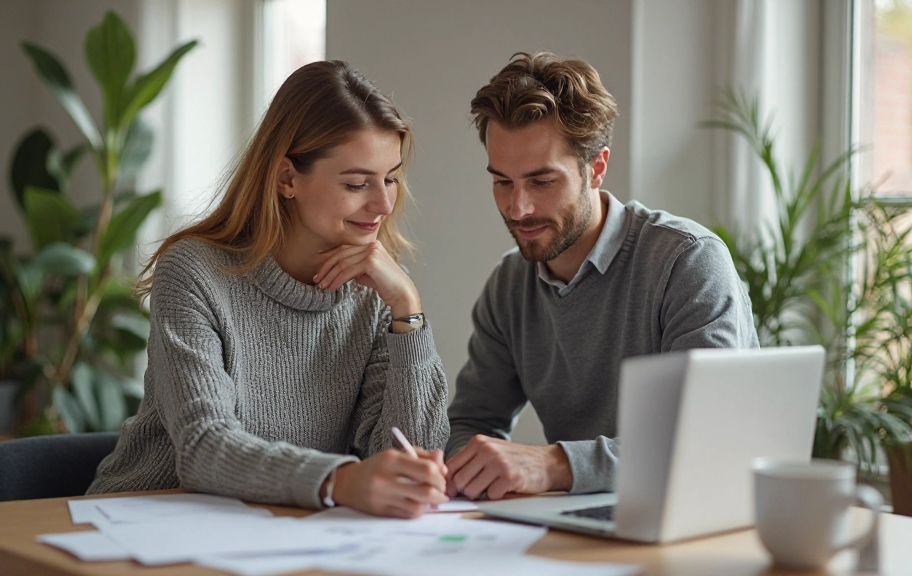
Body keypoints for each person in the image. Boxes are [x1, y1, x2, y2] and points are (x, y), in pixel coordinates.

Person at [88, 60, 450, 519]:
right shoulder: (196, 273)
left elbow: (409, 460)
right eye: (357, 183)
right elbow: (204, 448)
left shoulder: (375, 293)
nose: (382, 204)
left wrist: (408, 312)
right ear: (286, 179)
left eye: (392, 179)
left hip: (285, 534)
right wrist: (339, 481)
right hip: (144, 521)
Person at [445, 52, 759, 501]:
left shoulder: (686, 262)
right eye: (502, 182)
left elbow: (706, 435)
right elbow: (470, 424)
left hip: (698, 518)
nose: (518, 209)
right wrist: (476, 468)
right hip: (580, 521)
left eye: (542, 181)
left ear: (596, 167)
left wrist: (554, 464)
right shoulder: (510, 284)